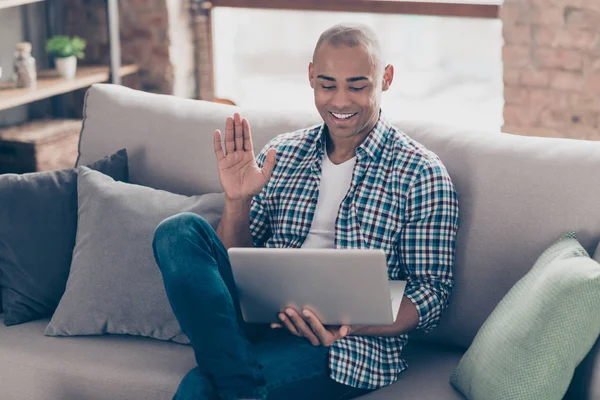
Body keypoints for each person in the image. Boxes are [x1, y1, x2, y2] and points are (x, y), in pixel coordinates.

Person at [152, 22, 459, 400]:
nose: (341, 102)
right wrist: (237, 201)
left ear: (387, 78)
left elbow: (431, 293)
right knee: (179, 231)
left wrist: (347, 323)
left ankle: (236, 386)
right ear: (311, 76)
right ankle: (241, 387)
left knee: (199, 388)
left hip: (339, 347)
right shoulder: (283, 153)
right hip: (256, 321)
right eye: (328, 84)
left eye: (358, 86)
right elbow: (232, 263)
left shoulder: (421, 173)